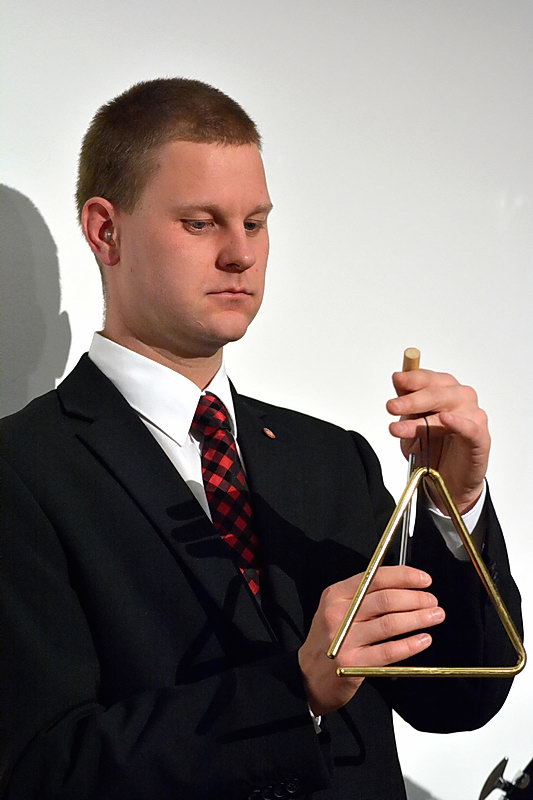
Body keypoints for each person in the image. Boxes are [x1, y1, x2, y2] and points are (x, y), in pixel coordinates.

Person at [0, 78, 522, 800]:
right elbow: (39, 772)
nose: (240, 254)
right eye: (200, 223)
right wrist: (294, 692)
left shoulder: (330, 459)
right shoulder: (22, 471)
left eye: (255, 222)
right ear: (105, 231)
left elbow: (457, 699)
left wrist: (451, 509)